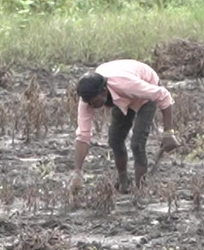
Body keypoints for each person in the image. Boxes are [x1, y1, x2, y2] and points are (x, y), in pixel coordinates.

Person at [72, 59, 179, 193]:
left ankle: (141, 189)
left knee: (137, 144)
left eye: (95, 102)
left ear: (104, 91)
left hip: (145, 87)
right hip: (121, 92)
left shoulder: (126, 85)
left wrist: (169, 133)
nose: (92, 106)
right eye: (89, 103)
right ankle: (124, 184)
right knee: (115, 140)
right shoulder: (87, 100)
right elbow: (83, 135)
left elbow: (163, 95)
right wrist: (77, 173)